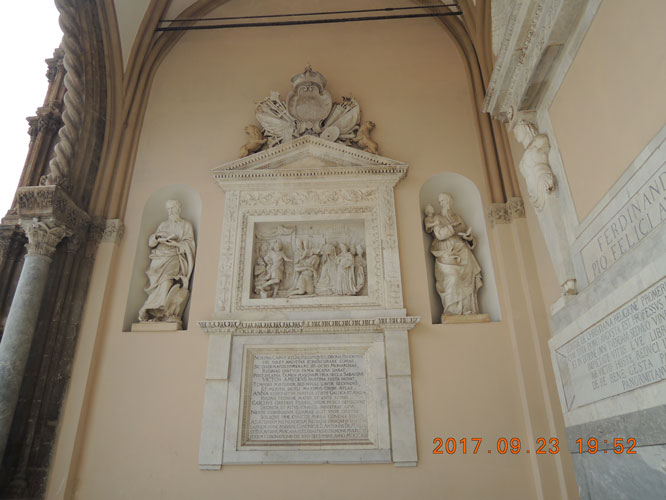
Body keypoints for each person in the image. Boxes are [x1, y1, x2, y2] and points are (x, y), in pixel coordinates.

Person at [426, 193, 482, 318]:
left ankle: (468, 310)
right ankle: (452, 311)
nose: (444, 203)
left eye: (446, 201)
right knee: (453, 278)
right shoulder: (437, 218)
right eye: (441, 201)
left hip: (463, 252)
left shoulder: (457, 217)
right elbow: (440, 235)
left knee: (468, 280)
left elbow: (466, 232)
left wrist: (469, 237)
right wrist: (452, 227)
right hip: (446, 253)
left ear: (451, 202)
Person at [138, 200, 195, 323]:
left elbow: (190, 244)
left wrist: (177, 243)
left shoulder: (186, 225)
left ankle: (158, 309)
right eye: (168, 209)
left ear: (178, 209)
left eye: (172, 208)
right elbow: (151, 243)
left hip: (174, 256)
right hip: (159, 257)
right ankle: (154, 313)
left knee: (167, 280)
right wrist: (157, 237)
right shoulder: (163, 225)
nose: (170, 212)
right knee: (159, 284)